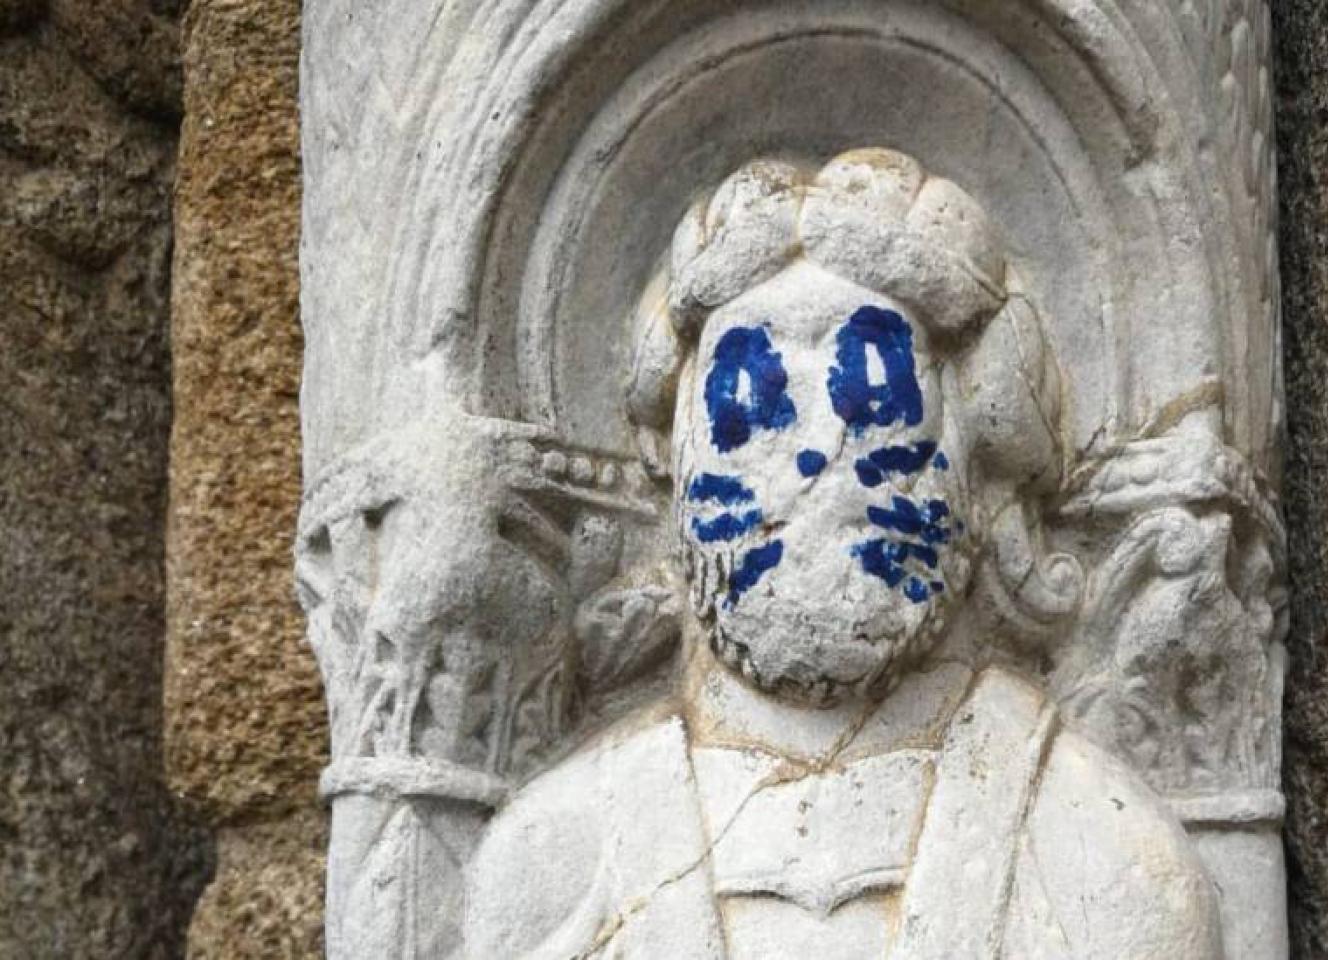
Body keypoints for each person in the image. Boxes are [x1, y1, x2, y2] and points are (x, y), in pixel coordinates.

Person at [464, 149, 1223, 959]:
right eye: (751, 405)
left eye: (868, 400)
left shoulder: (1104, 862)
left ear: (982, 459)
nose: (814, 452)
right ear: (673, 460)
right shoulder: (550, 863)